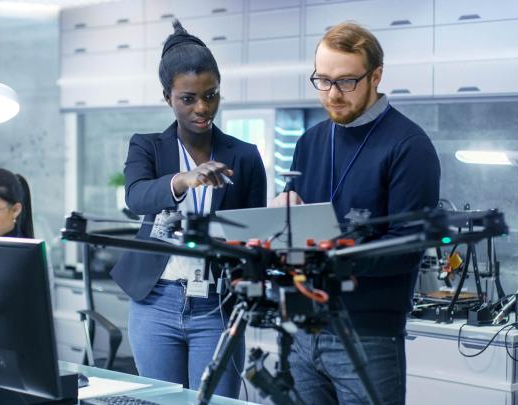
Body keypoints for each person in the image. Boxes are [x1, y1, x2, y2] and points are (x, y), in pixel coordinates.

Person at [271, 22, 440, 404]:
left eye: (346, 82)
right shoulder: (309, 141)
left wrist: (333, 251)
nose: (332, 94)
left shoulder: (409, 146)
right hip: (302, 330)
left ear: (376, 76)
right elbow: (294, 226)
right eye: (323, 80)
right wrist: (282, 214)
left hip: (368, 336)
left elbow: (408, 247)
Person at [110, 20, 267, 398]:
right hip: (156, 303)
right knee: (160, 400)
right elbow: (137, 196)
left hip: (217, 305)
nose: (202, 107)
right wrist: (184, 180)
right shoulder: (147, 147)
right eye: (188, 98)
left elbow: (252, 236)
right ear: (168, 97)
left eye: (211, 95)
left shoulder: (244, 157)